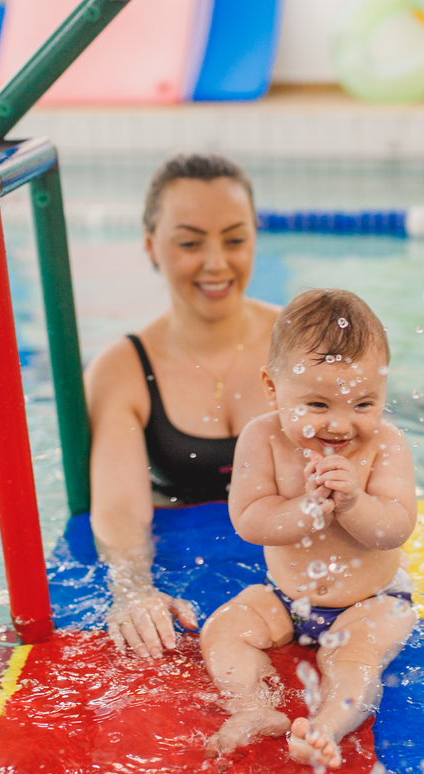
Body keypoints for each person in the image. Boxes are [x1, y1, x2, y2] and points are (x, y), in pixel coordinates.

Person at [200, 288, 418, 769]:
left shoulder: (386, 444)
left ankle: (326, 728)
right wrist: (307, 510)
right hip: (286, 598)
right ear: (272, 387)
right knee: (222, 630)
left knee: (354, 658)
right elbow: (250, 520)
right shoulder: (261, 438)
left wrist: (354, 504)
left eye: (363, 404)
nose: (340, 426)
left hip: (371, 602)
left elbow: (395, 528)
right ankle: (253, 707)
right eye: (318, 405)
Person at [84, 154, 279, 660]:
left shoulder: (299, 342)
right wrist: (133, 590)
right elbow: (120, 508)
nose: (215, 263)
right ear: (151, 245)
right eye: (190, 243)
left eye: (234, 240)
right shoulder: (122, 369)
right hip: (183, 561)